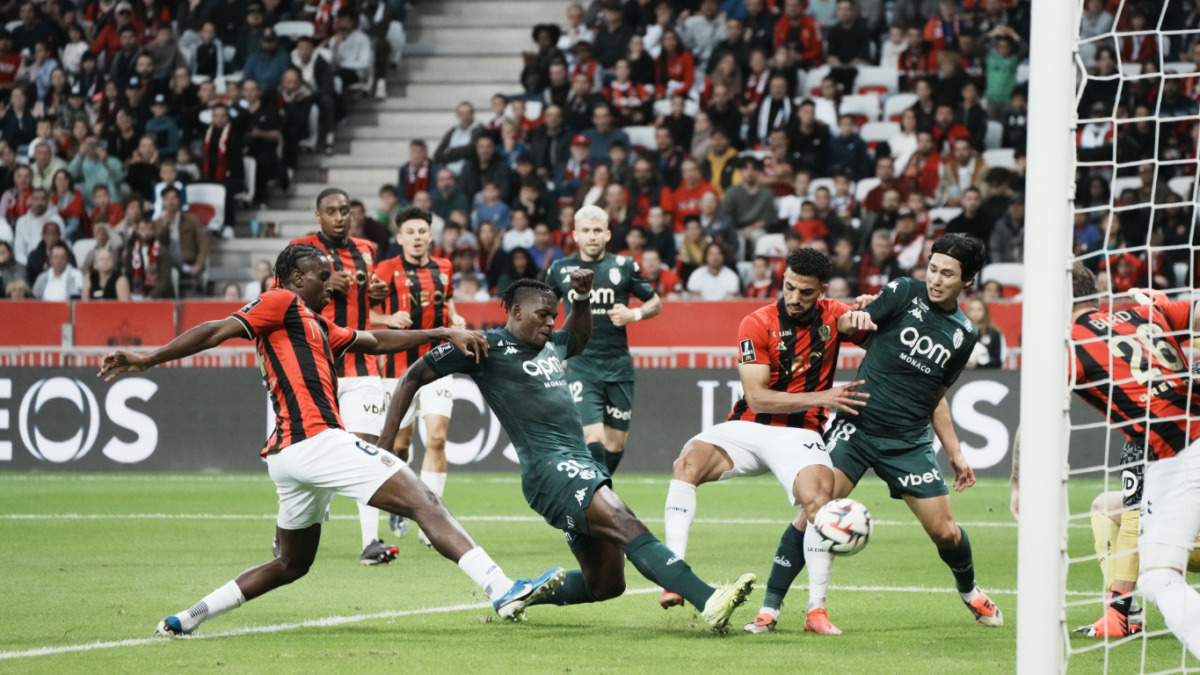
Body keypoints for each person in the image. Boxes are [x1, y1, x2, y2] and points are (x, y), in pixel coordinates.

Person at [99, 243, 565, 636]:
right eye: (323, 278)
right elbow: (216, 330)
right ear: (296, 278)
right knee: (424, 500)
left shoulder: (316, 324)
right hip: (316, 441)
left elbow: (376, 342)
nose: (331, 285)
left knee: (291, 564)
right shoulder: (279, 301)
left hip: (287, 455)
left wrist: (443, 329)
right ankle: (501, 587)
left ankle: (189, 616)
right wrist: (147, 358)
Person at [379, 271, 757, 632]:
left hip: (578, 464)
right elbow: (413, 376)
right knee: (625, 521)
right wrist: (385, 445)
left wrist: (580, 298)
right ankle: (709, 600)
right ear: (516, 312)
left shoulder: (551, 345)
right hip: (550, 470)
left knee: (607, 584)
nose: (549, 323)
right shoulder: (485, 347)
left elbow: (576, 335)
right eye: (542, 315)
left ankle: (519, 594)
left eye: (552, 316)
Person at [785, 233, 1001, 634]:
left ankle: (969, 590)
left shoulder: (963, 334)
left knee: (945, 532)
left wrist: (954, 452)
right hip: (858, 426)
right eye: (933, 268)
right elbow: (849, 326)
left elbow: (934, 396)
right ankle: (779, 607)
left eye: (947, 274)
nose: (936, 279)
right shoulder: (903, 291)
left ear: (967, 280)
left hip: (907, 441)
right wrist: (854, 316)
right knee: (815, 510)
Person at [662, 248, 869, 630]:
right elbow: (757, 396)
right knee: (686, 462)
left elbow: (881, 340)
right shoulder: (757, 322)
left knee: (819, 504)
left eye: (805, 292)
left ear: (821, 290)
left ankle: (816, 610)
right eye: (789, 287)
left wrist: (870, 314)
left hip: (799, 432)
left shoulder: (837, 316)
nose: (794, 297)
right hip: (748, 425)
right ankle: (673, 572)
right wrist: (824, 396)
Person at [1062, 270, 1200, 657]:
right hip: (1177, 454)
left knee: (1158, 574)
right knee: (1116, 510)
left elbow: (1039, 416)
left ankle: (1123, 608)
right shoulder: (1149, 313)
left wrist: (1019, 481)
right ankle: (1123, 609)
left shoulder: (1072, 347)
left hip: (1185, 450)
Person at [289, 188, 397, 564]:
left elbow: (372, 300)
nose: (339, 217)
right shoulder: (298, 250)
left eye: (345, 211)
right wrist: (320, 285)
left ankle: (371, 542)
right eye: (331, 211)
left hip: (363, 366)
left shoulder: (367, 249)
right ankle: (287, 526)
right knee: (314, 451)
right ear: (317, 216)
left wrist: (378, 293)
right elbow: (278, 298)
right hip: (317, 365)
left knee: (367, 446)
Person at [372, 206, 466, 548]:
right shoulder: (384, 270)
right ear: (400, 238)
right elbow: (361, 311)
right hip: (397, 369)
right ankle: (401, 500)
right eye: (409, 232)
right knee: (399, 444)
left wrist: (456, 320)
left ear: (430, 235)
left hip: (437, 362)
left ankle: (432, 519)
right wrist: (385, 319)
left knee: (438, 438)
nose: (416, 237)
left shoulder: (444, 268)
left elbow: (449, 305)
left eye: (422, 231)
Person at [545, 205, 662, 475]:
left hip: (618, 366)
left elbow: (655, 302)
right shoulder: (560, 269)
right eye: (586, 231)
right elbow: (542, 308)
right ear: (575, 235)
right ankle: (594, 500)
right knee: (592, 438)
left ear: (608, 234)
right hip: (580, 365)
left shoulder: (623, 265)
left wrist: (633, 313)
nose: (592, 236)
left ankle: (601, 491)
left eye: (597, 230)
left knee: (615, 443)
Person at [964, 298, 1005, 369]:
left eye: (979, 309)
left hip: (987, 375)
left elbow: (997, 360)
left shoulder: (993, 333)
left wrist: (978, 365)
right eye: (972, 309)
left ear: (985, 312)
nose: (975, 313)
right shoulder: (961, 332)